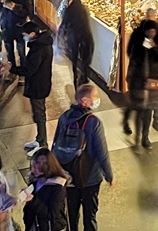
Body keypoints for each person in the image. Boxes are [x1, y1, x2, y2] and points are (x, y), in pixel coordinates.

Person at [52, 84, 113, 231]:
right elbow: (101, 152)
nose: (98, 100)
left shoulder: (64, 117)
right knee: (90, 215)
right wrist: (109, 175)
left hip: (69, 176)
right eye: (96, 97)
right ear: (85, 101)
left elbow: (55, 144)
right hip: (90, 178)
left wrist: (56, 170)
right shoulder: (93, 122)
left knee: (71, 214)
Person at [124, 18, 158, 148]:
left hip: (153, 81)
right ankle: (132, 129)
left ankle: (145, 137)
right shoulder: (137, 40)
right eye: (149, 32)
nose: (151, 34)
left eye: (153, 32)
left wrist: (155, 47)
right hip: (138, 81)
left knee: (148, 108)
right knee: (137, 107)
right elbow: (131, 56)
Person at [15, 21, 54, 152]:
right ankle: (39, 139)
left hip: (38, 85)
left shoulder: (39, 48)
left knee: (39, 115)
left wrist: (12, 69)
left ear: (32, 34)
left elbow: (30, 70)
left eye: (25, 34)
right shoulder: (41, 44)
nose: (24, 36)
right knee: (38, 114)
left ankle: (42, 144)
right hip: (40, 84)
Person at [22, 148, 69, 231]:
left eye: (40, 166)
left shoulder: (57, 187)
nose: (35, 169)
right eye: (34, 164)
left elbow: (52, 214)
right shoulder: (36, 180)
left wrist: (33, 200)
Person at [58, 0, 95, 89]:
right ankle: (85, 75)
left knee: (74, 56)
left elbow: (64, 24)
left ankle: (75, 73)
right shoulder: (84, 9)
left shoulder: (68, 10)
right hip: (86, 35)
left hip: (74, 35)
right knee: (85, 57)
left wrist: (62, 36)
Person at [0, 0, 32, 70]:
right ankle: (12, 69)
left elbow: (28, 11)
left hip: (19, 27)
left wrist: (15, 7)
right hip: (7, 28)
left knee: (21, 51)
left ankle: (23, 69)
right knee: (9, 51)